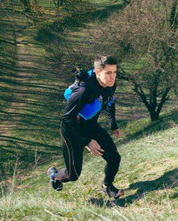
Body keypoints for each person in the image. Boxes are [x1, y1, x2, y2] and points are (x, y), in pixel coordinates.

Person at [47, 55, 124, 200]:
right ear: (97, 72)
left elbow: (109, 102)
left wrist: (113, 125)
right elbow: (67, 118)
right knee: (73, 175)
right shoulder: (84, 90)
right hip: (71, 130)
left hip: (90, 125)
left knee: (114, 158)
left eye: (114, 72)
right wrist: (87, 141)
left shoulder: (111, 84)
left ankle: (107, 186)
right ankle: (55, 175)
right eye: (108, 73)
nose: (112, 77)